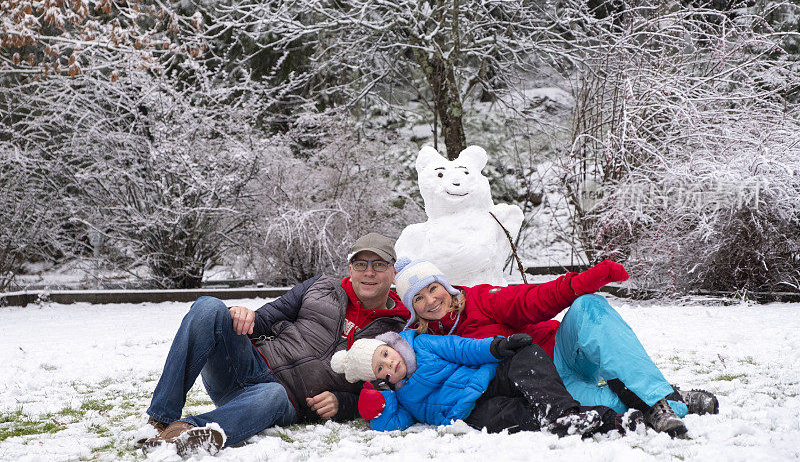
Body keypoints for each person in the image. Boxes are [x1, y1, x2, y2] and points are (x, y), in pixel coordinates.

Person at [140, 233, 410, 455]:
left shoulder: (397, 329)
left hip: (285, 400)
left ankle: (184, 433)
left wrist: (343, 402)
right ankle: (160, 419)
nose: (369, 272)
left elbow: (384, 389)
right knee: (209, 307)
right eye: (361, 264)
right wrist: (243, 316)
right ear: (350, 268)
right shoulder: (321, 286)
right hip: (247, 366)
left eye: (379, 265)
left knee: (273, 394)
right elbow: (266, 318)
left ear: (393, 272)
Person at [394, 257, 720, 437]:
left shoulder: (480, 300)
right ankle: (672, 401)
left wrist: (580, 283)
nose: (430, 300)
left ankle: (656, 398)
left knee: (588, 307)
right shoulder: (425, 342)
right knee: (604, 404)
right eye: (418, 298)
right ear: (412, 308)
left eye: (432, 288)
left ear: (445, 285)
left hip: (563, 350)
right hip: (550, 386)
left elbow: (529, 300)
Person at [330, 331, 636, 437]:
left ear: (390, 344)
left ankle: (560, 413)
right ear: (378, 380)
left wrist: (497, 348)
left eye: (385, 354)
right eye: (380, 369)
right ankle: (610, 421)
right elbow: (390, 425)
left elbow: (461, 348)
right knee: (514, 416)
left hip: (489, 377)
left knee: (527, 356)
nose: (390, 364)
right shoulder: (399, 397)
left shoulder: (422, 345)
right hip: (472, 411)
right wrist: (377, 407)